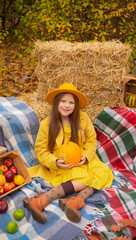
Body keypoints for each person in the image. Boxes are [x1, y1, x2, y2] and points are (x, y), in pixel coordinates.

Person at [24, 83, 113, 223]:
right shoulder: (47, 124)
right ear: (56, 103)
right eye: (63, 101)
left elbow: (91, 141)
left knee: (104, 171)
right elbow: (41, 150)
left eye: (71, 102)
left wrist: (86, 157)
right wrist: (55, 162)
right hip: (61, 164)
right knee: (84, 178)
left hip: (81, 160)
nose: (66, 105)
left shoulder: (83, 118)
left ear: (76, 105)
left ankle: (75, 201)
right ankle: (41, 200)